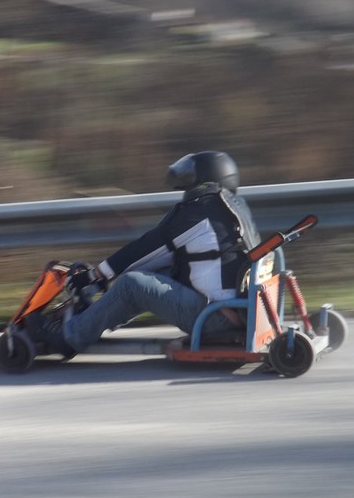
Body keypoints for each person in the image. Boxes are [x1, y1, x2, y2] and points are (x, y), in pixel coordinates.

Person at [24, 150, 261, 357]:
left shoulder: (197, 213)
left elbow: (145, 249)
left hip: (215, 318)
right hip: (236, 309)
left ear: (205, 178)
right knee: (154, 273)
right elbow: (159, 258)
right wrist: (102, 278)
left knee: (133, 284)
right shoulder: (230, 210)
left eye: (192, 175)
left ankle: (69, 337)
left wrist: (95, 275)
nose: (186, 181)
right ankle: (93, 318)